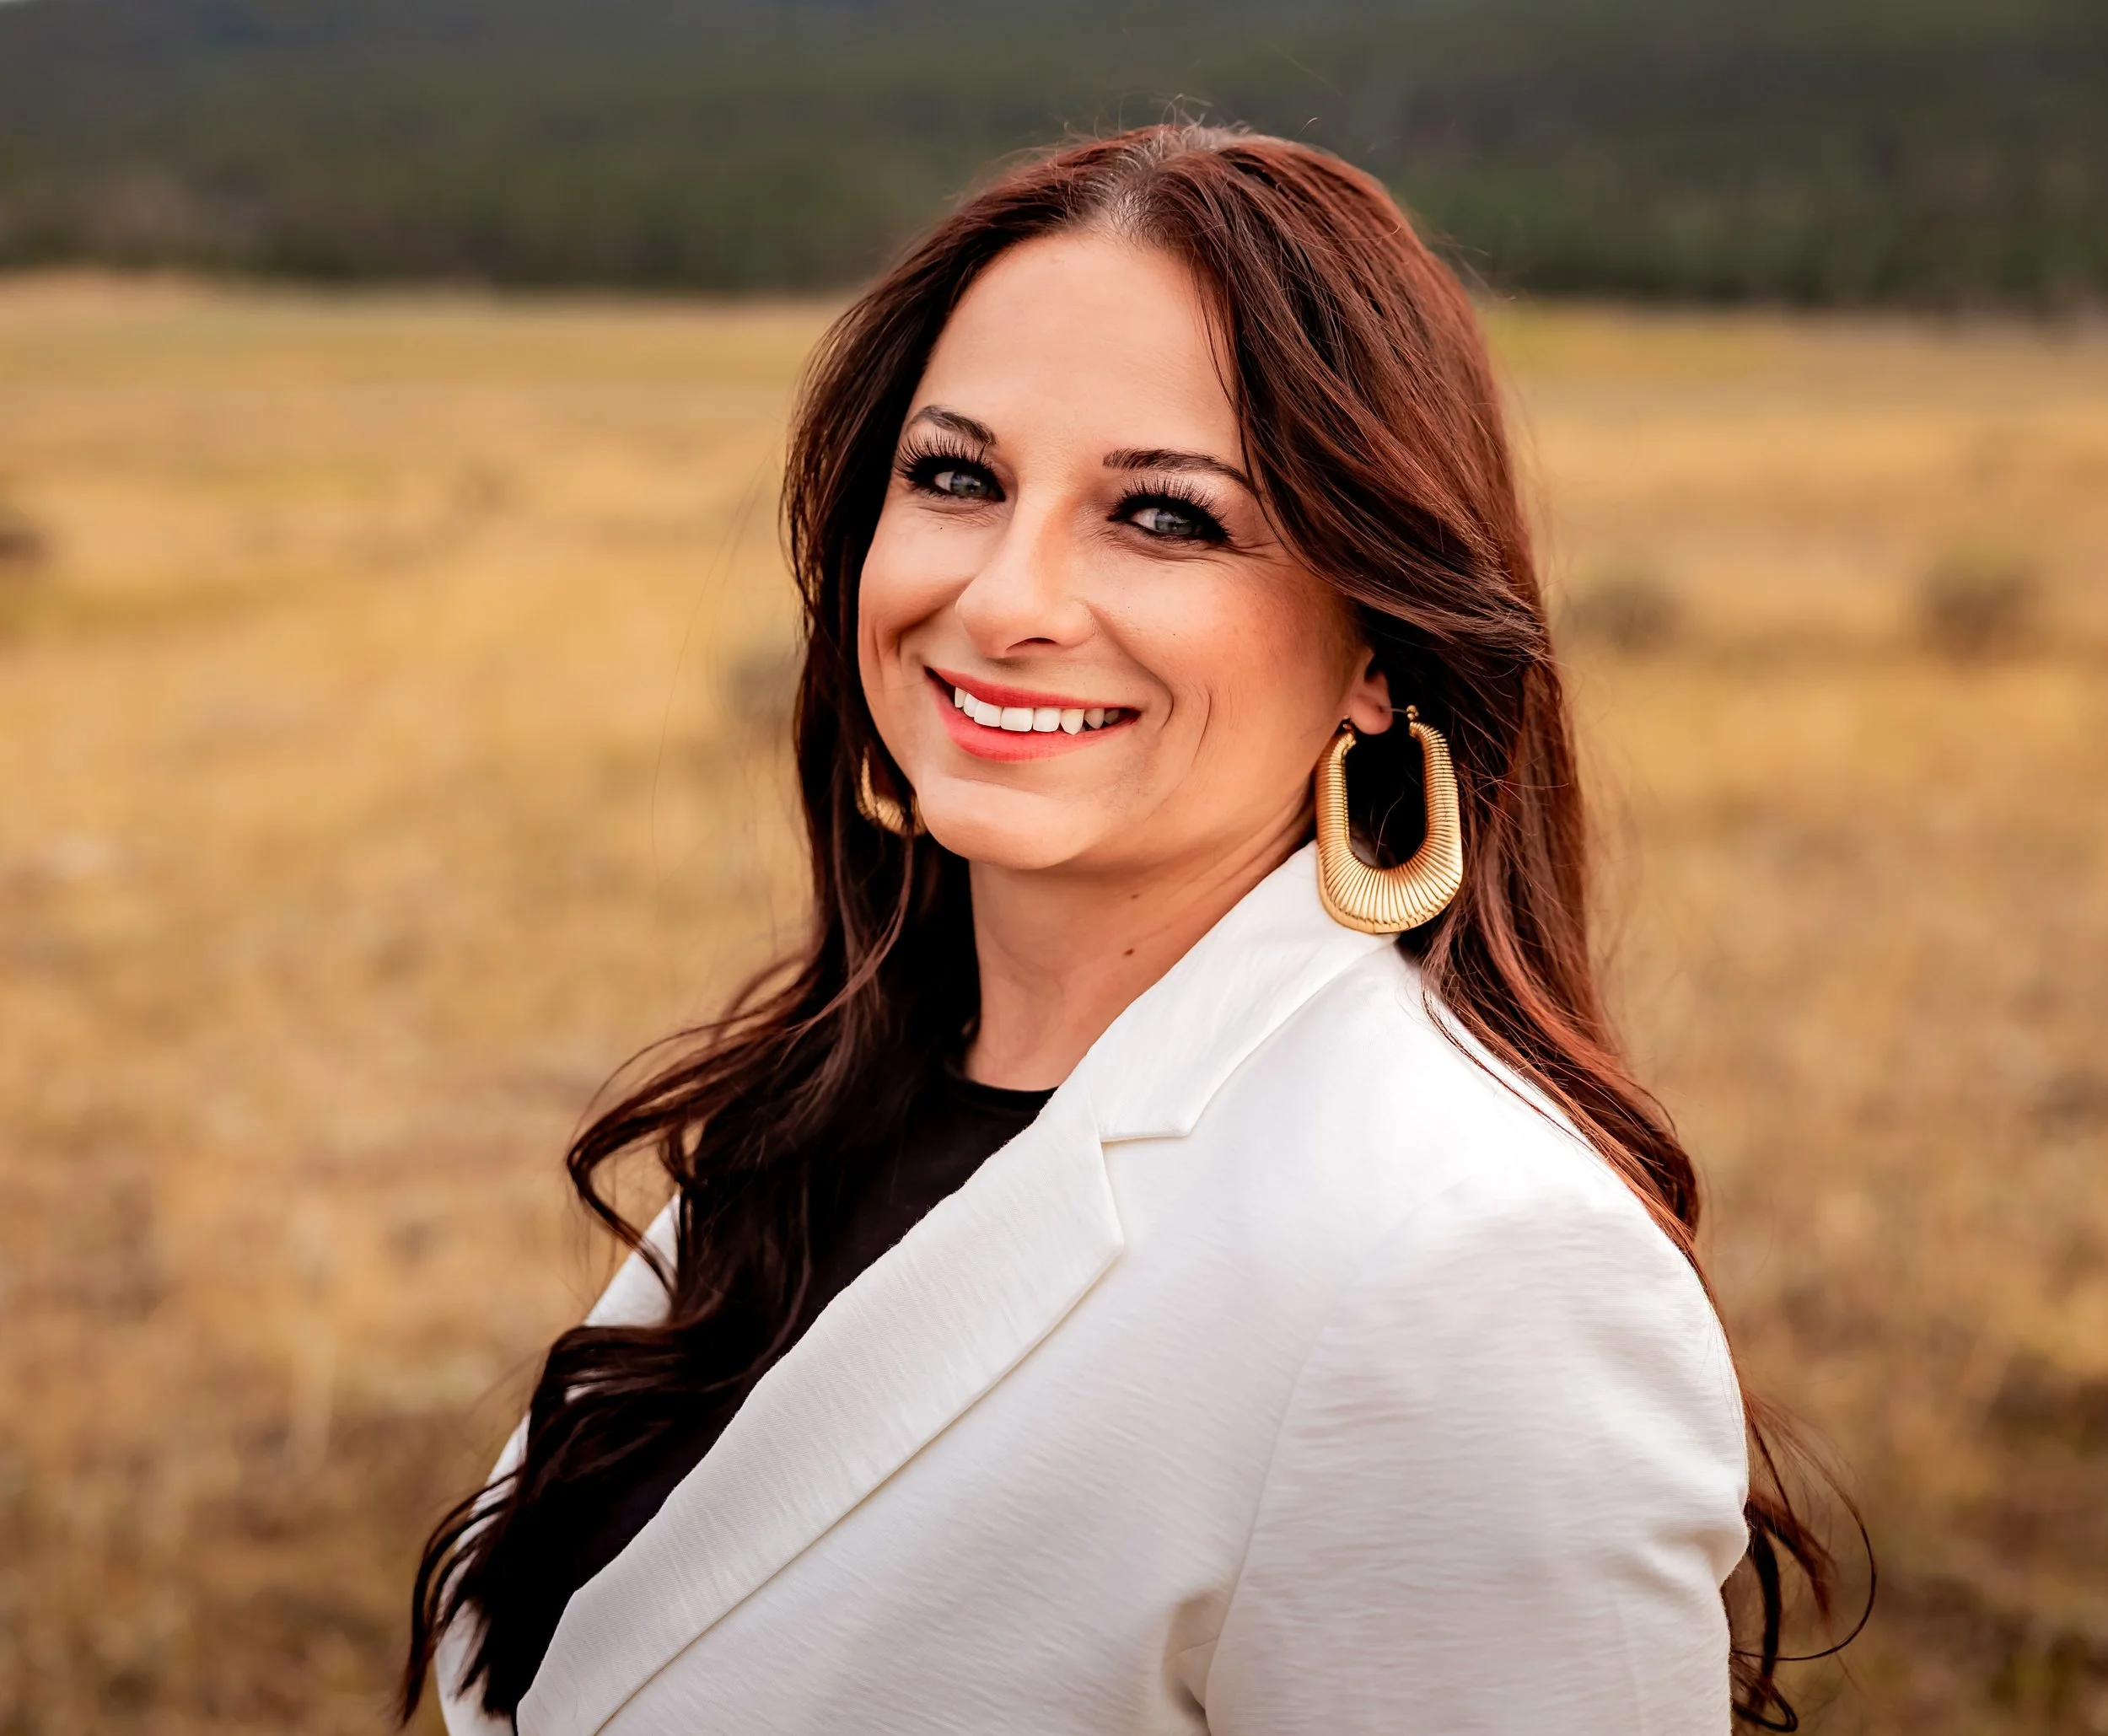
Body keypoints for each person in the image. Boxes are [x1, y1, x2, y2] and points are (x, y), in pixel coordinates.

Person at [404, 123, 1831, 1736]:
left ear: (1383, 644)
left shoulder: (1469, 1266)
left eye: (1163, 516)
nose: (1007, 596)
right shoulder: (818, 1104)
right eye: (955, 477)